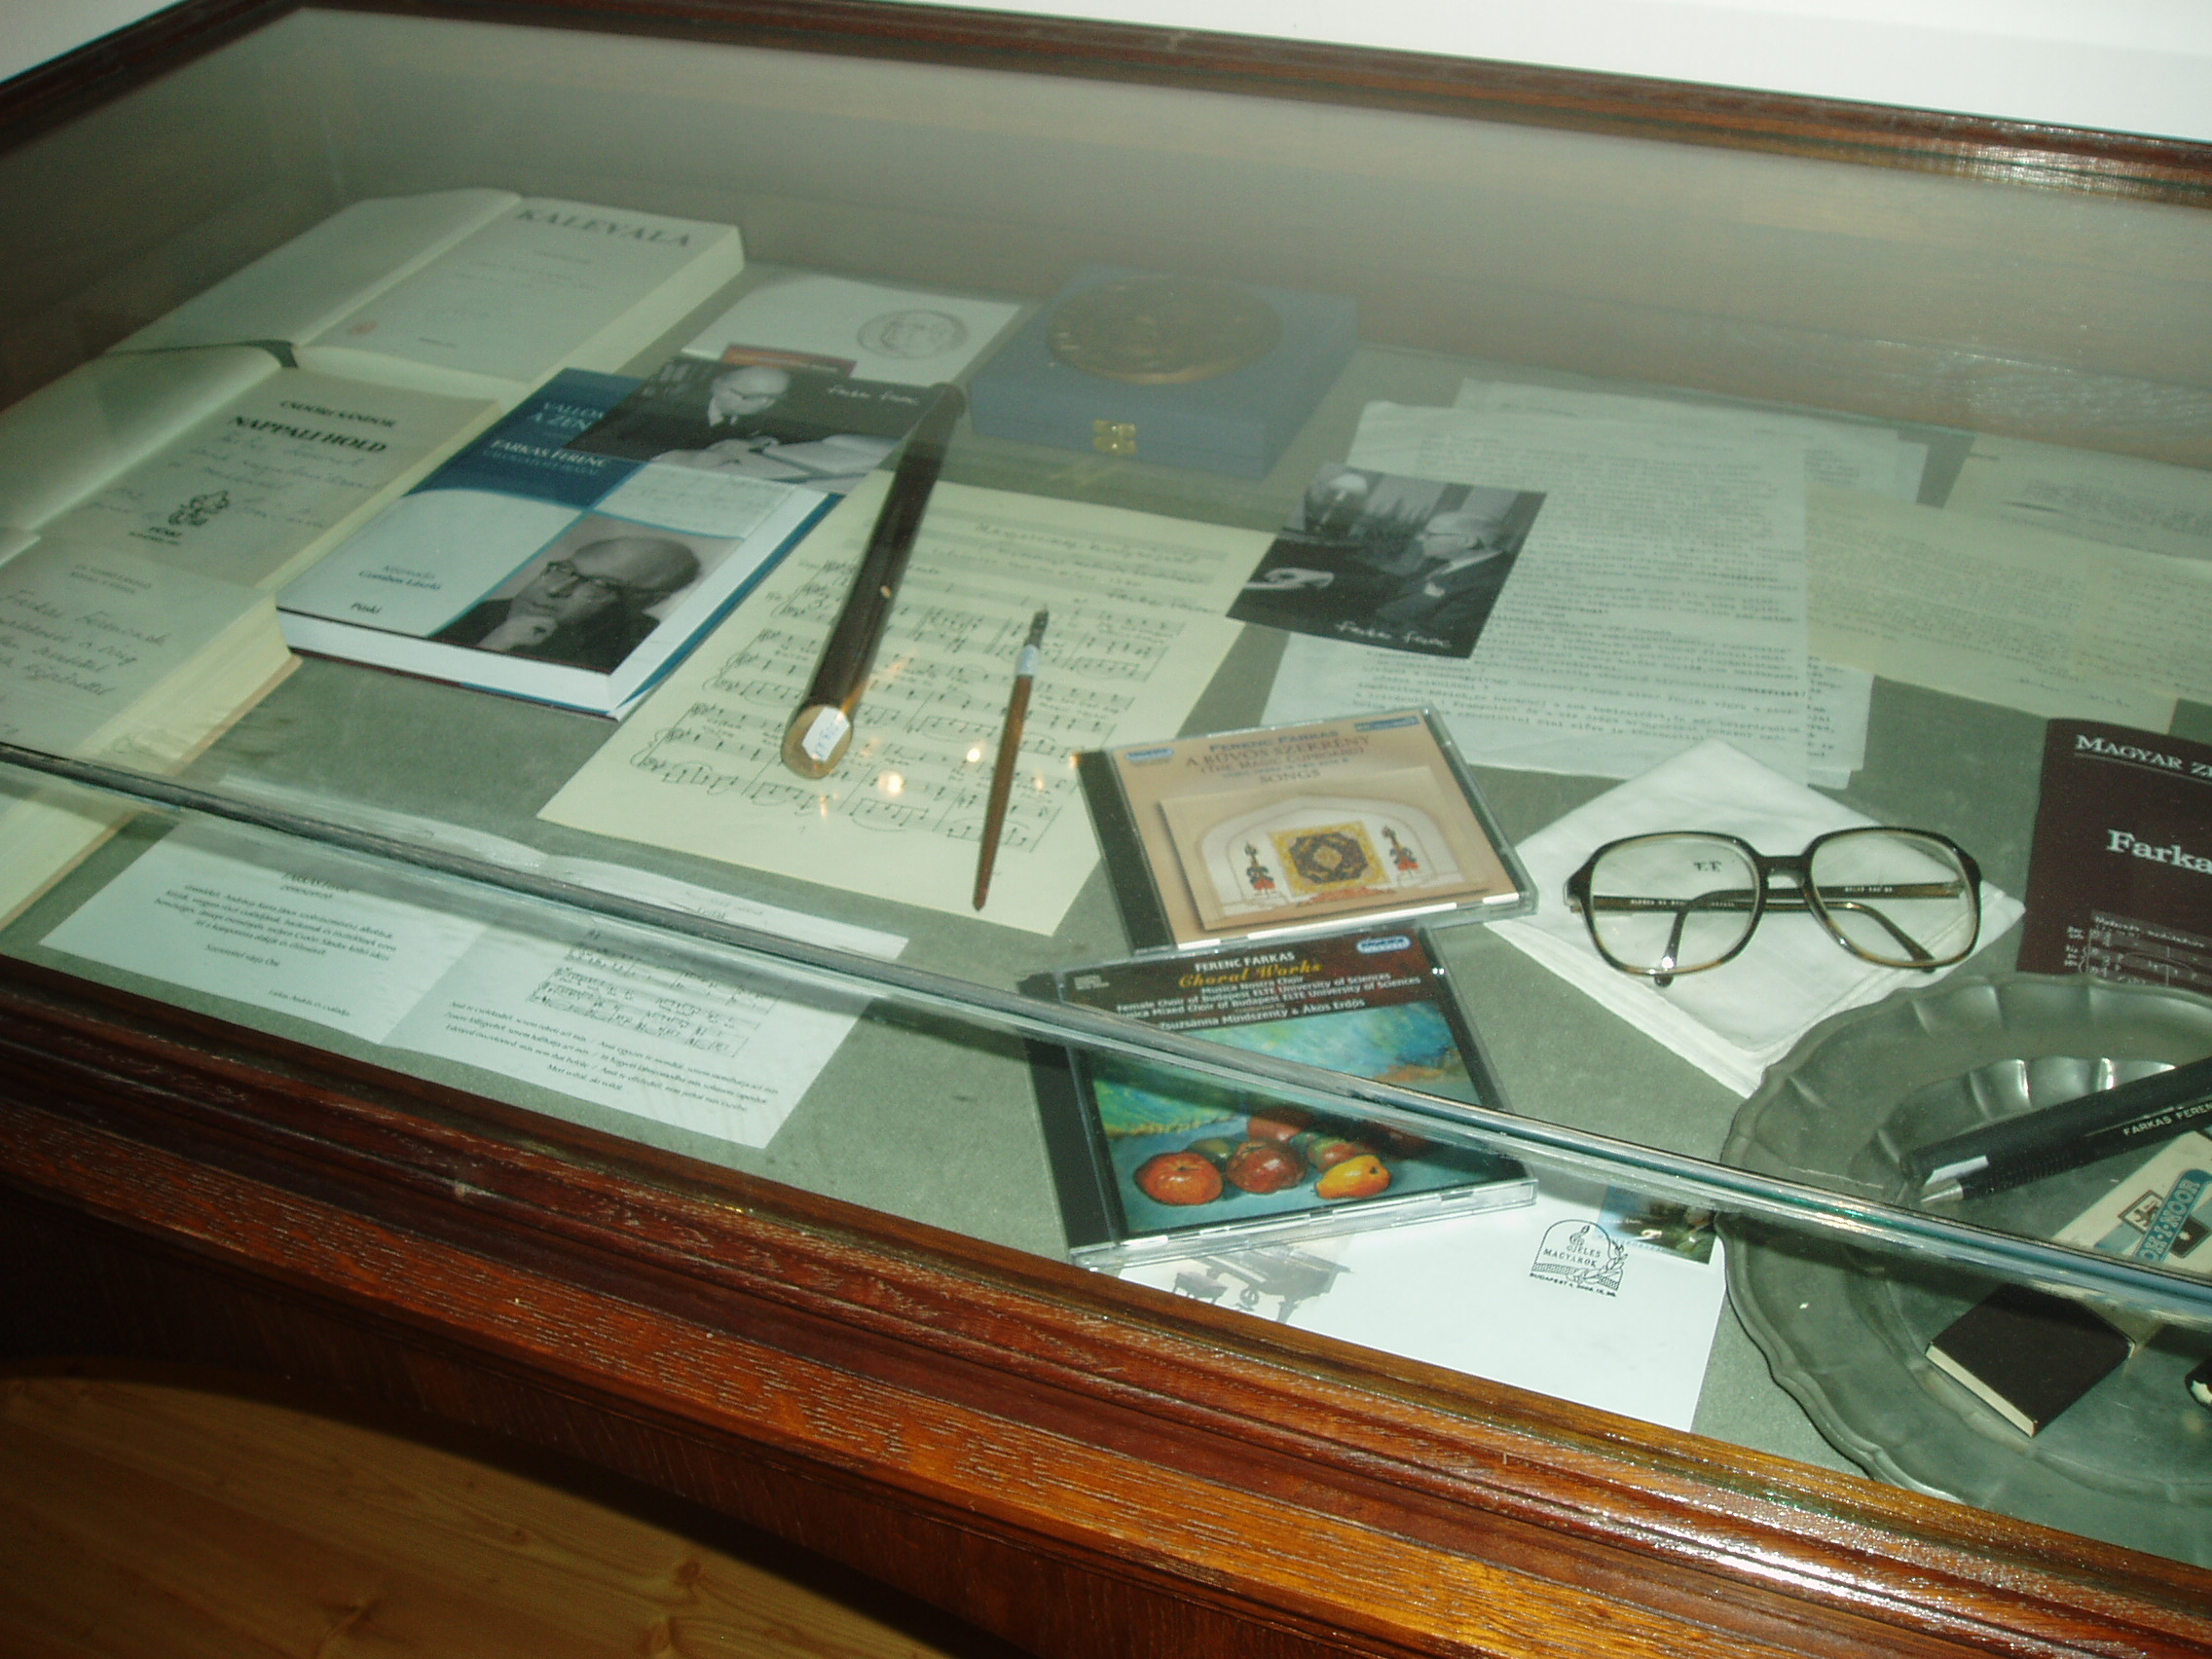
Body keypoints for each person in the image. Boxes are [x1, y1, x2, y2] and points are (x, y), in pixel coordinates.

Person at [432, 535, 701, 673]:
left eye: (599, 585)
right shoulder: (475, 613)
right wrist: (489, 649)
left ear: (647, 601)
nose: (554, 589)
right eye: (562, 570)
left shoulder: (645, 647)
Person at [1370, 509, 1513, 642]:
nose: (1419, 538)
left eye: (1430, 535)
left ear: (1467, 541)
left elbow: (1431, 636)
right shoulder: (1444, 559)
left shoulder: (1494, 584)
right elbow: (1401, 585)